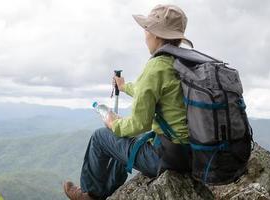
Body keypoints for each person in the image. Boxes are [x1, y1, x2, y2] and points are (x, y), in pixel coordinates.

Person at [64, 4, 193, 200]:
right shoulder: (183, 63)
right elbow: (157, 92)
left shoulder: (156, 67)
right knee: (130, 138)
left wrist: (112, 123)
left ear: (156, 34)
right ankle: (109, 190)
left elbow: (139, 123)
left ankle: (90, 194)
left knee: (102, 136)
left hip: (169, 158)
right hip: (193, 153)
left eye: (147, 30)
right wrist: (124, 87)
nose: (145, 35)